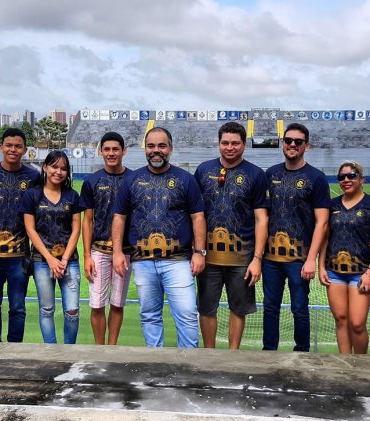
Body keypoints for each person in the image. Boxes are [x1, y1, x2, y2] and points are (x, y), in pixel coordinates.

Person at [112, 127, 206, 348]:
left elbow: (198, 217)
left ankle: (188, 362)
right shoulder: (131, 180)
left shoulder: (185, 179)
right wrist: (117, 252)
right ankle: (156, 361)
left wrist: (199, 252)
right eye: (151, 146)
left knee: (187, 314)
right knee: (150, 315)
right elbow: (119, 218)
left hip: (178, 261)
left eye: (162, 146)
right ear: (145, 149)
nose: (156, 151)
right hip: (143, 261)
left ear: (170, 149)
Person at [194, 122, 269, 349]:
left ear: (244, 145)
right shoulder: (203, 170)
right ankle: (209, 354)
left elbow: (261, 219)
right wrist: (196, 251)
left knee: (239, 308)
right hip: (208, 256)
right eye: (225, 143)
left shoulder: (255, 174)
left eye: (235, 143)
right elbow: (195, 214)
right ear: (219, 144)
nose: (230, 147)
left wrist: (257, 259)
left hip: (242, 257)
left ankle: (232, 354)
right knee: (207, 308)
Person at [262, 123, 331, 352]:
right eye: (288, 140)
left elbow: (322, 222)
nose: (292, 145)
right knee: (270, 306)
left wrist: (312, 259)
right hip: (271, 258)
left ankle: (302, 353)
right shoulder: (271, 173)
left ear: (306, 146)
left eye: (298, 142)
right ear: (283, 143)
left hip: (300, 257)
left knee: (299, 307)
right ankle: (268, 351)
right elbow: (262, 216)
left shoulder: (316, 177)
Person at [0, 128, 41, 342]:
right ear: (1, 147)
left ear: (24, 149)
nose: (13, 149)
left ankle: (15, 349)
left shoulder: (33, 176)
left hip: (19, 255)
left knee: (18, 307)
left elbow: (36, 212)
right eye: (9, 145)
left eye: (18, 146)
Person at [318, 161, 370, 354]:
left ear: (361, 179)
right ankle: (345, 362)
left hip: (362, 271)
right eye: (342, 177)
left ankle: (360, 364)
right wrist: (321, 267)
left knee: (357, 323)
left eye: (351, 176)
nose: (346, 180)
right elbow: (325, 238)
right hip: (335, 272)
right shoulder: (332, 205)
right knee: (341, 319)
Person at [20, 150, 82, 344]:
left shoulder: (72, 195)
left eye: (63, 168)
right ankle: (51, 351)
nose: (59, 172)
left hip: (68, 261)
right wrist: (50, 259)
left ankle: (69, 351)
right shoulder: (32, 195)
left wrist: (62, 260)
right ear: (45, 167)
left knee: (72, 311)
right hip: (41, 261)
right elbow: (31, 230)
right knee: (46, 310)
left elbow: (76, 230)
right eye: (54, 166)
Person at [80, 132, 133, 345]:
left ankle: (112, 347)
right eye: (107, 149)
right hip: (99, 250)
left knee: (118, 303)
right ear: (101, 151)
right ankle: (99, 347)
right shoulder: (92, 181)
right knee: (97, 304)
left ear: (124, 151)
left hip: (125, 251)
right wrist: (86, 256)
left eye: (115, 149)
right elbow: (87, 220)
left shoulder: (134, 178)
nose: (111, 153)